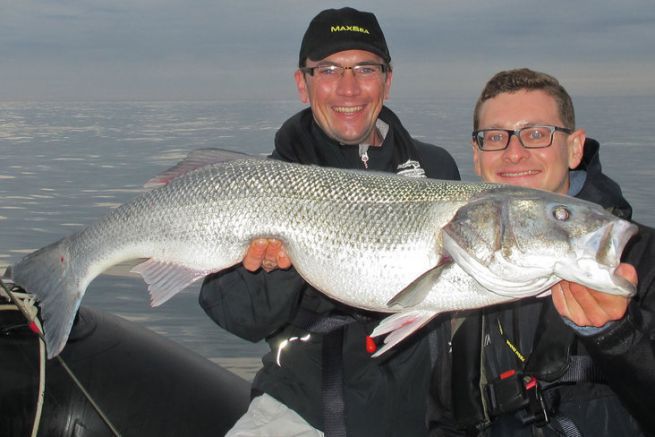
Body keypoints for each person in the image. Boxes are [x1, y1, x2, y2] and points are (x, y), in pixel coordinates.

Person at [199, 7, 460, 437]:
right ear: (303, 84)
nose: (348, 88)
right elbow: (236, 317)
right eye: (329, 70)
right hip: (305, 411)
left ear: (387, 81)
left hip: (424, 418)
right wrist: (278, 270)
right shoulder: (263, 185)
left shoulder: (436, 169)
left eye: (365, 68)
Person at [427, 68, 655, 436]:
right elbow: (445, 415)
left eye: (536, 134)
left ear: (574, 147)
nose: (514, 153)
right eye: (495, 137)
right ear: (477, 155)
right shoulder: (461, 259)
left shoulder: (641, 255)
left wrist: (618, 336)